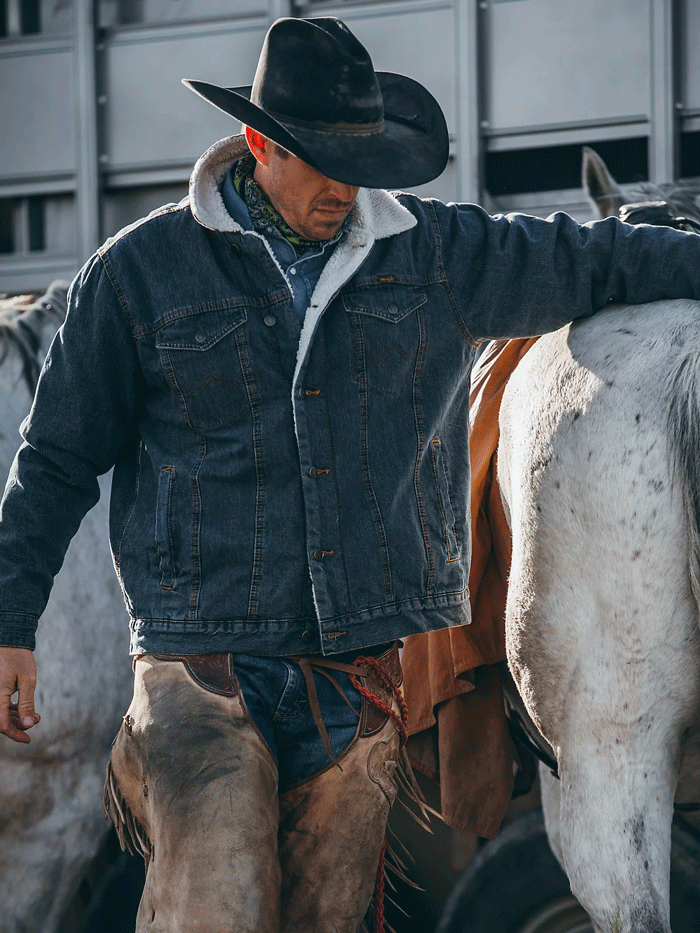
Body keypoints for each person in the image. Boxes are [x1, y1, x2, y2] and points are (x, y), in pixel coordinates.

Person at [2, 15, 700, 933]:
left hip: (355, 683)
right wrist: (12, 623)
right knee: (218, 913)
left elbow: (592, 256)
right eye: (323, 161)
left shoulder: (433, 254)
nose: (346, 186)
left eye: (360, 160)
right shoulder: (139, 275)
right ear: (258, 143)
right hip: (202, 674)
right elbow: (53, 460)